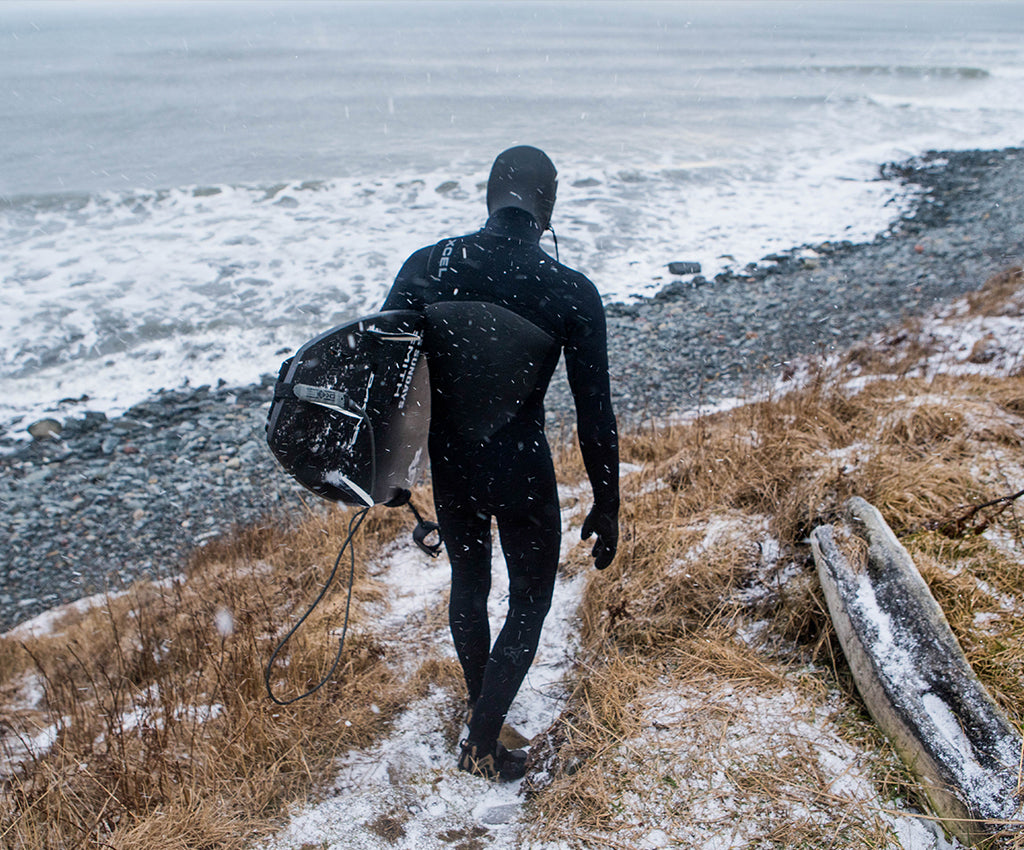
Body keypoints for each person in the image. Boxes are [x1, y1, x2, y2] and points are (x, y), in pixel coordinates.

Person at [382, 145, 619, 781]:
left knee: (470, 583)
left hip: (452, 462)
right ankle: (482, 744)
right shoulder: (571, 291)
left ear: (491, 196)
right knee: (529, 601)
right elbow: (596, 415)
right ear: (548, 206)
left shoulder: (427, 266)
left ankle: (481, 711)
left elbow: (385, 374)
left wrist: (386, 474)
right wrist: (608, 501)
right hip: (519, 465)